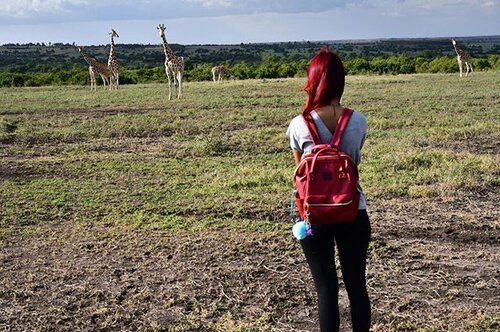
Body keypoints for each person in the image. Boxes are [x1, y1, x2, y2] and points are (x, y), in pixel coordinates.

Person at [286, 48, 371, 332]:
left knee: (325, 289)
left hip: (313, 216)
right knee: (357, 286)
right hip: (352, 210)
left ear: (312, 81)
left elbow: (300, 173)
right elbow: (355, 160)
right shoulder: (358, 120)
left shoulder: (299, 124)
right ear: (340, 81)